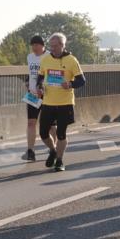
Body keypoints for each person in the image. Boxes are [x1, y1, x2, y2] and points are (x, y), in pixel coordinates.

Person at [36, 32, 85, 172]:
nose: (52, 49)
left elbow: (82, 81)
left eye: (55, 46)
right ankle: (52, 150)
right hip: (48, 102)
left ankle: (59, 160)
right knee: (43, 133)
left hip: (65, 103)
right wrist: (39, 88)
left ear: (63, 45)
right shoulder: (45, 60)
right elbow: (40, 77)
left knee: (61, 133)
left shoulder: (72, 60)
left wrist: (69, 84)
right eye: (50, 46)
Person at [22, 35, 54, 160]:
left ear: (42, 45)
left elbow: (52, 74)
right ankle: (30, 151)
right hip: (33, 94)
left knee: (50, 125)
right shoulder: (29, 57)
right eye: (32, 45)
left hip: (48, 95)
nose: (34, 48)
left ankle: (53, 149)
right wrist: (27, 81)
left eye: (36, 45)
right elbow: (32, 72)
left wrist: (44, 88)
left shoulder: (49, 56)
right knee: (31, 122)